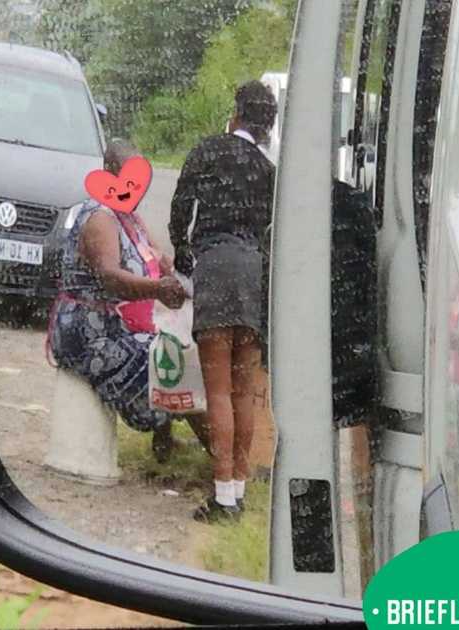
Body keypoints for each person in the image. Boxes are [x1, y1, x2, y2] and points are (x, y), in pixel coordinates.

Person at [169, 81, 277, 521]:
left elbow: (181, 207)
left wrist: (182, 250)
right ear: (267, 127)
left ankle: (223, 499)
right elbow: (271, 231)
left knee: (216, 391)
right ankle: (241, 490)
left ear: (235, 113)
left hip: (214, 267)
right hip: (252, 274)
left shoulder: (208, 149)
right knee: (245, 392)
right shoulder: (268, 170)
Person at [49, 140, 188, 460]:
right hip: (88, 332)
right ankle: (225, 469)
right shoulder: (100, 218)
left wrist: (185, 278)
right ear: (108, 174)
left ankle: (167, 441)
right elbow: (110, 276)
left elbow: (160, 260)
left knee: (176, 351)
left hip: (113, 323)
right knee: (166, 368)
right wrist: (158, 290)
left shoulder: (128, 216)